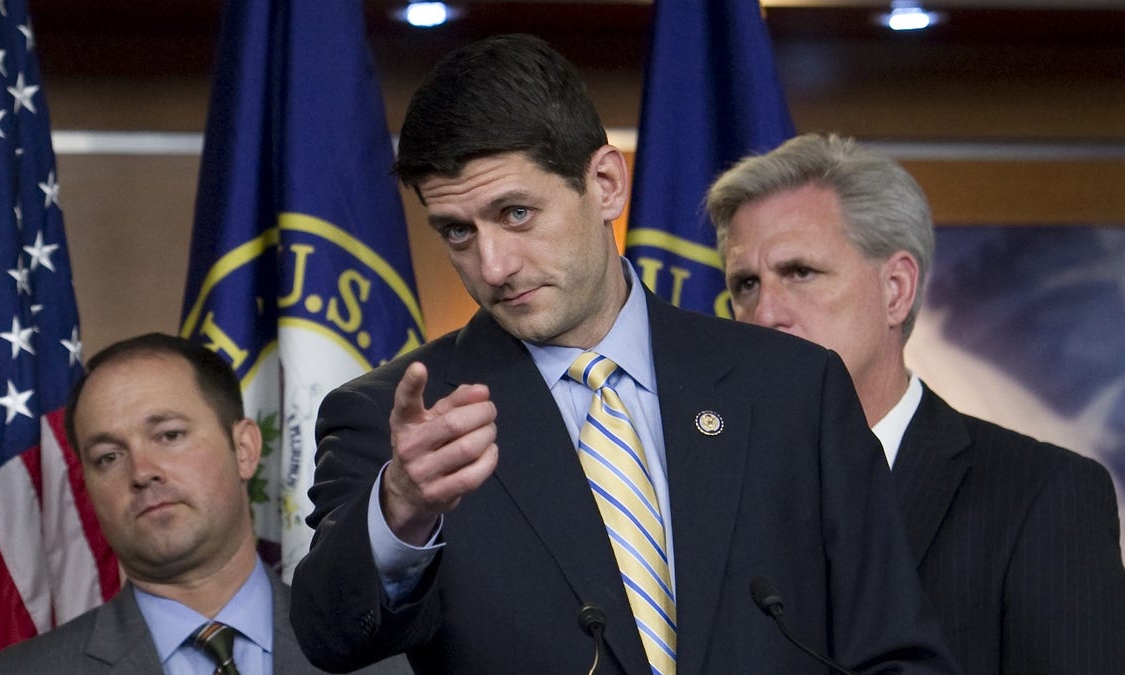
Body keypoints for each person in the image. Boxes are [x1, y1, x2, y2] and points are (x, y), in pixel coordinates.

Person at [289, 35, 958, 675]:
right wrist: (402, 507)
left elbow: (897, 652)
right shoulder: (399, 425)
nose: (492, 265)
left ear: (606, 183)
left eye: (516, 213)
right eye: (458, 231)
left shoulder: (792, 388)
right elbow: (329, 637)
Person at [707, 132, 1125, 675]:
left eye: (800, 272)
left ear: (897, 289)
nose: (764, 313)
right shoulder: (708, 493)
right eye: (745, 284)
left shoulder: (1041, 495)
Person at [0, 334, 409, 675]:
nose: (142, 472)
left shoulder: (397, 660)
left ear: (244, 449)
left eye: (169, 435)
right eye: (108, 457)